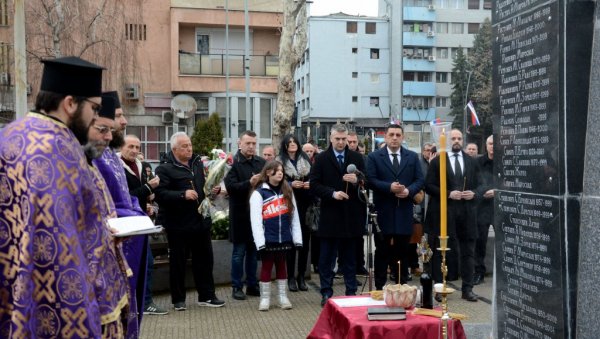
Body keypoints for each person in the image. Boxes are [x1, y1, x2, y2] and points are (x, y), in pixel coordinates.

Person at [0, 56, 130, 337]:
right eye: (93, 109)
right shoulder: (60, 148)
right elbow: (62, 244)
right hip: (54, 302)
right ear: (70, 104)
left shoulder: (9, 136)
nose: (96, 118)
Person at [93, 90, 148, 336]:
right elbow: (104, 206)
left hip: (131, 236)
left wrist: (137, 209)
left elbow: (125, 195)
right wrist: (134, 214)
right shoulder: (95, 156)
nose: (124, 122)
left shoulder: (111, 155)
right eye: (118, 115)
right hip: (117, 242)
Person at [154, 132, 225, 310]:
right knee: (178, 263)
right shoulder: (164, 168)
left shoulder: (198, 163)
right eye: (184, 146)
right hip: (178, 223)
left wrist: (212, 190)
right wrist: (182, 194)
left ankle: (207, 296)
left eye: (190, 145)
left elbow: (203, 188)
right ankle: (178, 300)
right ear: (174, 149)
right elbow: (160, 195)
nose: (189, 148)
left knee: (205, 260)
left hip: (201, 221)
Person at [310, 124, 367, 306]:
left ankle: (351, 293)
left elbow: (367, 181)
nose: (342, 143)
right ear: (331, 139)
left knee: (350, 258)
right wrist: (333, 193)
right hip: (330, 216)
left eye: (344, 139)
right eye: (338, 139)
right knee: (327, 258)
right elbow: (314, 184)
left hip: (351, 216)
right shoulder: (321, 159)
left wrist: (358, 180)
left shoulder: (357, 157)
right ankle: (326, 292)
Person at [425, 129, 481, 302]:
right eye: (453, 138)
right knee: (441, 251)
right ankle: (439, 288)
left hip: (466, 214)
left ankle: (467, 289)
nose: (456, 141)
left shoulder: (471, 161)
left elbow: (481, 185)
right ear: (447, 141)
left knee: (468, 252)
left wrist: (474, 193)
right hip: (443, 213)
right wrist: (448, 193)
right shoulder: (437, 162)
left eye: (459, 138)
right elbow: (429, 185)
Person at [366, 124, 424, 288]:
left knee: (402, 252)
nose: (394, 138)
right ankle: (379, 287)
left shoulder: (412, 157)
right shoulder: (374, 157)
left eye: (398, 135)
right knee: (382, 251)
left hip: (404, 212)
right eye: (391, 134)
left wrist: (409, 191)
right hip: (383, 212)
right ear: (385, 137)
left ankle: (401, 287)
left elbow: (420, 180)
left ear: (403, 137)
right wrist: (389, 187)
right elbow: (371, 180)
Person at [119, 135, 169, 316]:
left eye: (137, 147)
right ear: (121, 147)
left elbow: (139, 196)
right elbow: (125, 196)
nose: (134, 150)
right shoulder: (117, 167)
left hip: (140, 221)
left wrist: (148, 202)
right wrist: (148, 188)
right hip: (123, 223)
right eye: (130, 146)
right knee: (127, 266)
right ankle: (131, 303)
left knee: (146, 262)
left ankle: (144, 301)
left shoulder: (141, 166)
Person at [250, 161, 303, 311]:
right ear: (268, 172)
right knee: (266, 267)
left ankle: (282, 297)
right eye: (276, 170)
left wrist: (297, 239)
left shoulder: (288, 191)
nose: (280, 173)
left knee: (282, 266)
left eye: (281, 170)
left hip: (285, 237)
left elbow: (295, 217)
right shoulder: (259, 193)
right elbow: (256, 221)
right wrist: (260, 242)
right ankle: (265, 299)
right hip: (268, 238)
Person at [225, 131, 266, 300]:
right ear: (239, 143)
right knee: (238, 253)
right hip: (240, 214)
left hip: (257, 215)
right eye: (248, 143)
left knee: (253, 252)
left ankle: (252, 284)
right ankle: (236, 286)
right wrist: (249, 183)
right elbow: (230, 188)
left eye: (254, 143)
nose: (251, 147)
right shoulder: (232, 164)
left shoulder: (261, 162)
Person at [276, 135, 312, 292]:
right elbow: (274, 181)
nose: (292, 145)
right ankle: (290, 277)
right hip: (288, 203)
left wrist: (309, 184)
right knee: (290, 243)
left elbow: (314, 178)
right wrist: (290, 184)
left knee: (304, 243)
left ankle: (301, 277)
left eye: (294, 142)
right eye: (289, 143)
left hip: (305, 203)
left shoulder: (305, 159)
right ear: (284, 145)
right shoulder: (279, 161)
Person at [474, 135, 494, 285]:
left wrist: (497, 191)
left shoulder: (506, 162)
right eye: (490, 144)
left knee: (504, 241)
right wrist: (483, 192)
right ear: (486, 145)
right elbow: (474, 182)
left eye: (495, 144)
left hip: (500, 207)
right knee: (480, 242)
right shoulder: (478, 162)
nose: (492, 146)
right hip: (482, 207)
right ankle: (479, 272)